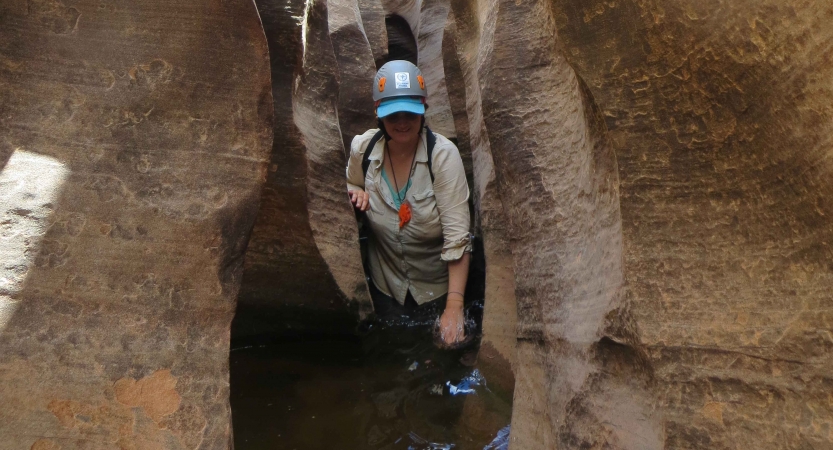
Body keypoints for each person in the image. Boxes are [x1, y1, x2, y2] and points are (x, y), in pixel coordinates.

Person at [346, 60, 471, 346]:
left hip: (437, 291)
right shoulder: (363, 150)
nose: (402, 122)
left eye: (410, 114)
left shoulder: (442, 157)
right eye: (393, 116)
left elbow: (458, 238)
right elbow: (349, 182)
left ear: (424, 110)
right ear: (378, 114)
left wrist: (454, 306)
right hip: (386, 289)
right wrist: (356, 192)